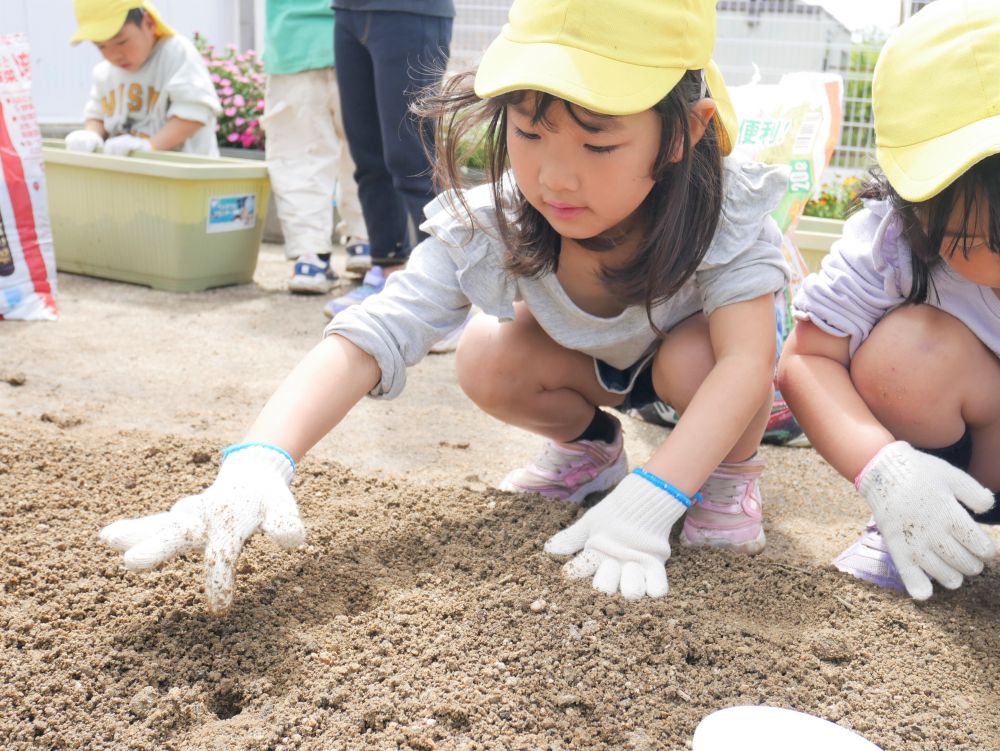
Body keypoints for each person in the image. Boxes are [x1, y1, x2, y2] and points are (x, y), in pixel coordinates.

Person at [98, 0, 790, 613]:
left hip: (698, 374)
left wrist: (656, 497)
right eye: (529, 130)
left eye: (598, 141)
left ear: (682, 133)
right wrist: (259, 458)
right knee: (488, 355)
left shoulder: (721, 211)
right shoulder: (499, 220)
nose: (555, 174)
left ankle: (724, 477)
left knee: (703, 361)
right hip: (592, 367)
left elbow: (746, 361)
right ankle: (593, 452)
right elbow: (374, 332)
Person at [777, 0, 999, 601]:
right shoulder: (893, 241)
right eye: (983, 243)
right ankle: (927, 516)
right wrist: (887, 472)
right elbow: (806, 359)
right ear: (921, 209)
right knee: (903, 355)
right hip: (966, 456)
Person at [322, 0, 454, 316]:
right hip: (350, 11)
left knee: (414, 158)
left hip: (410, 11)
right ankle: (387, 270)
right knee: (367, 156)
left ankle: (445, 299)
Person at [261, 0, 371, 295]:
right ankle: (365, 241)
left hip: (294, 43)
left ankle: (310, 260)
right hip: (360, 34)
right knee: (365, 150)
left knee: (299, 158)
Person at [64, 1, 221, 158]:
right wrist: (91, 135)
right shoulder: (105, 72)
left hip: (185, 176)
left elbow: (193, 114)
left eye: (121, 42)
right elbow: (97, 116)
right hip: (134, 176)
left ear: (149, 23)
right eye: (101, 46)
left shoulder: (175, 53)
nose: (114, 55)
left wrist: (150, 146)